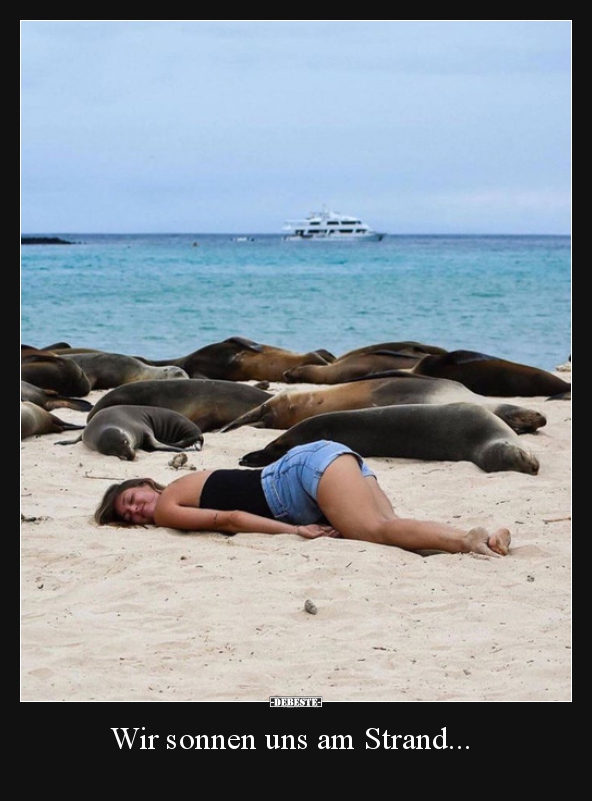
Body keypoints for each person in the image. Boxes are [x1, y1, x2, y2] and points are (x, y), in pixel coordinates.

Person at [94, 439, 511, 557]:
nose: (134, 509)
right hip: (320, 463)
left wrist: (294, 530)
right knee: (393, 537)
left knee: (380, 531)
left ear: (148, 485)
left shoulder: (169, 506)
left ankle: (465, 540)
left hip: (301, 478)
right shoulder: (180, 495)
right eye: (127, 517)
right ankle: (489, 539)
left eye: (130, 498)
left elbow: (231, 519)